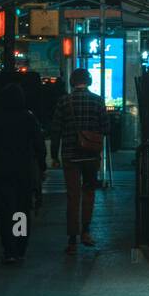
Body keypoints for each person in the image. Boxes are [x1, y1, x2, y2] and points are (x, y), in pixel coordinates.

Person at [0, 83, 46, 266]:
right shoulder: (28, 118)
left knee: (6, 211)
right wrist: (41, 167)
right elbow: (39, 145)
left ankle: (9, 249)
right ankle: (20, 247)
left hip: (3, 169)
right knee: (21, 210)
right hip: (24, 170)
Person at [50, 67, 109, 254]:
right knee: (89, 193)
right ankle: (86, 231)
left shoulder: (63, 102)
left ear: (71, 82)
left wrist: (53, 155)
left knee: (72, 196)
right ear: (89, 81)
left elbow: (56, 130)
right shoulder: (98, 101)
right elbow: (106, 128)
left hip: (69, 155)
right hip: (91, 155)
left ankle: (72, 239)